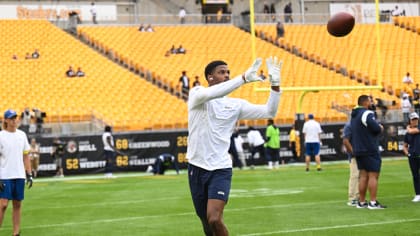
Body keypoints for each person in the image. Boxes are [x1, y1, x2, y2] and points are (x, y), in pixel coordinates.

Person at [187, 56, 282, 236]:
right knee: (206, 222)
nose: (226, 75)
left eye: (228, 72)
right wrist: (244, 78)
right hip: (197, 167)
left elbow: (270, 111)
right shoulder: (197, 94)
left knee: (214, 218)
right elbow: (210, 94)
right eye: (221, 72)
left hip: (221, 168)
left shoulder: (235, 105)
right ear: (210, 77)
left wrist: (275, 84)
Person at [0, 109, 33, 236]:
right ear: (6, 120)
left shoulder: (22, 135)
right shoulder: (1, 136)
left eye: (15, 118)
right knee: (3, 205)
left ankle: (16, 233)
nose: (14, 120)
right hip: (4, 175)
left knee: (17, 204)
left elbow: (26, 156)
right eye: (11, 118)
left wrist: (29, 174)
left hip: (19, 174)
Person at [350, 94, 385, 209]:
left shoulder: (354, 115)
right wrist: (380, 127)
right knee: (373, 175)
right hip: (369, 148)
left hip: (358, 149)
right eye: (370, 101)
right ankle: (373, 202)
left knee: (363, 175)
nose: (372, 103)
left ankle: (362, 201)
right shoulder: (366, 113)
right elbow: (375, 128)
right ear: (365, 103)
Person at [403, 112, 420, 202]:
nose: (415, 121)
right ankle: (418, 194)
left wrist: (408, 128)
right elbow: (405, 145)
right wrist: (407, 153)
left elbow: (411, 131)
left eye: (416, 119)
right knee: (415, 175)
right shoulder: (407, 134)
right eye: (413, 120)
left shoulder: (415, 129)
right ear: (410, 121)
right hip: (412, 156)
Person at [342, 122, 359, 206]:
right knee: (355, 175)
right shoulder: (349, 125)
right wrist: (353, 152)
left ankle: (358, 196)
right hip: (354, 155)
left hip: (362, 153)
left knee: (360, 176)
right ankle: (352, 198)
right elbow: (345, 140)